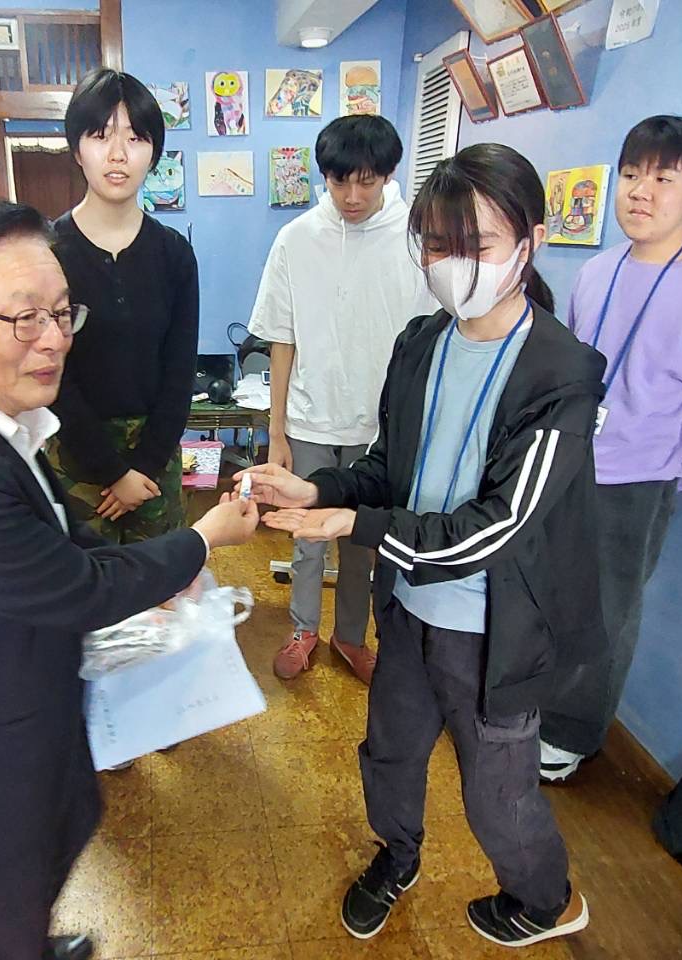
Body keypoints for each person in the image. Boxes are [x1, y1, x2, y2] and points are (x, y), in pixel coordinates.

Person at [0, 200, 259, 960]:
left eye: (60, 312)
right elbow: (77, 587)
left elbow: (59, 535)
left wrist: (155, 578)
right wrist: (201, 541)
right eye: (23, 318)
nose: (52, 339)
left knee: (31, 892)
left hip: (25, 720)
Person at [241, 143, 603, 948]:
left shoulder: (560, 374)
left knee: (496, 793)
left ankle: (544, 900)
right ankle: (396, 857)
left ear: (532, 242)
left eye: (477, 244)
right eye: (438, 245)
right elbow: (388, 467)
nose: (453, 264)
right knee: (391, 753)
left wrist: (357, 526)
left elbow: (498, 528)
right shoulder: (421, 343)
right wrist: (317, 491)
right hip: (408, 607)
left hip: (493, 632)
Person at [538, 116, 682, 783]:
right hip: (567, 461)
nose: (640, 191)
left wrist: (669, 470)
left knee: (606, 611)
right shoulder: (597, 271)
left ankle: (570, 733)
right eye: (631, 174)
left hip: (637, 480)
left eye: (664, 178)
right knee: (545, 590)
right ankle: (528, 704)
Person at [247, 115, 436, 686]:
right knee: (305, 534)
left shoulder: (417, 239)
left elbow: (432, 339)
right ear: (324, 177)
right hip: (309, 419)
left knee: (360, 540)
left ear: (389, 175)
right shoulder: (296, 238)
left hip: (381, 430)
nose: (352, 197)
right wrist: (277, 432)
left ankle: (350, 637)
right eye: (339, 182)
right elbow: (281, 339)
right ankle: (303, 629)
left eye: (366, 182)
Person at [47, 68, 199, 544]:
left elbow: (180, 371)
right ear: (77, 149)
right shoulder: (46, 252)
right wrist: (112, 471)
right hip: (74, 455)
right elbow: (50, 373)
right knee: (81, 583)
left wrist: (143, 468)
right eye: (100, 136)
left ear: (153, 152)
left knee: (160, 584)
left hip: (155, 461)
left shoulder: (174, 254)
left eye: (135, 138)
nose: (118, 154)